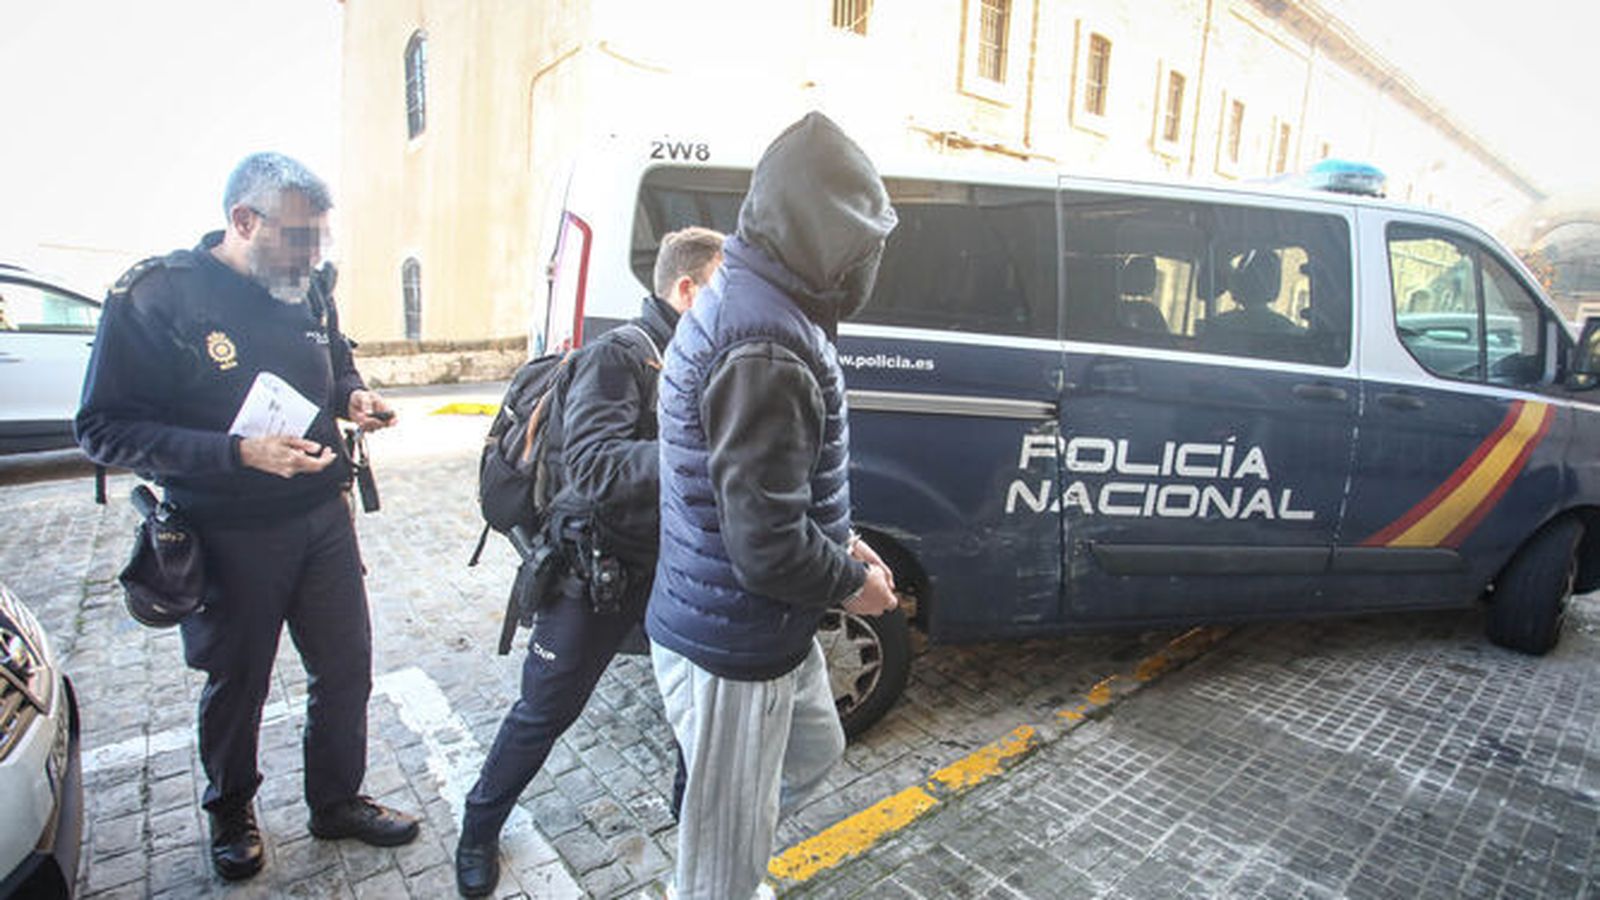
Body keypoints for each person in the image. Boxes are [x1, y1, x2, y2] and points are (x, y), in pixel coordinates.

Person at [75, 152, 418, 882]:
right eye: (299, 238)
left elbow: (334, 358)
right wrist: (238, 455)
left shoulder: (308, 285)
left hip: (322, 516)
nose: (315, 256)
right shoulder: (157, 297)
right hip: (226, 530)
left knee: (345, 669)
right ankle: (230, 810)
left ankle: (336, 801)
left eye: (321, 239)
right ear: (243, 221)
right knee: (238, 683)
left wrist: (351, 398)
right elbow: (103, 429)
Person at [646, 112, 901, 900]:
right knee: (721, 863)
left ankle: (727, 841)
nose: (868, 267)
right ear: (821, 238)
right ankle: (722, 864)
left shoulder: (760, 296)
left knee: (813, 749)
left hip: (754, 621)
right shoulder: (767, 343)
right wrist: (854, 588)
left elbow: (770, 486)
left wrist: (843, 538)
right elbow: (764, 543)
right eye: (861, 247)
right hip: (737, 637)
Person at [454, 226, 725, 898]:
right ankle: (479, 826)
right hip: (595, 575)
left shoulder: (706, 358)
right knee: (544, 711)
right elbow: (597, 466)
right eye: (723, 287)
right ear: (686, 288)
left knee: (695, 711)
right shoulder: (620, 356)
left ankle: (693, 831)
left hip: (671, 571)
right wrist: (706, 457)